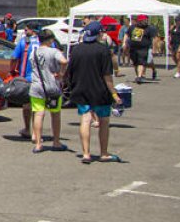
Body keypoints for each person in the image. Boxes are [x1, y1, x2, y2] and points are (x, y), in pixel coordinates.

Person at [65, 21, 122, 163]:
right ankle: (103, 153)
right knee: (104, 121)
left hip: (81, 90)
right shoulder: (103, 50)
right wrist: (114, 94)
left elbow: (69, 72)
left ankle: (86, 153)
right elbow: (107, 76)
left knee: (85, 119)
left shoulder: (76, 49)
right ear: (99, 34)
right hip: (100, 91)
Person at [29, 29, 68, 153]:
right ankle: (56, 141)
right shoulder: (53, 51)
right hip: (52, 86)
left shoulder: (33, 52)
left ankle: (38, 143)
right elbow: (64, 61)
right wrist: (61, 73)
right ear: (50, 39)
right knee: (55, 114)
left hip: (36, 86)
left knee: (38, 114)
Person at [9, 23, 40, 139]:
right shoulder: (46, 42)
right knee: (38, 107)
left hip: (26, 79)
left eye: (26, 29)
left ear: (32, 30)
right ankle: (37, 133)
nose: (24, 31)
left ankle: (28, 129)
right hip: (41, 79)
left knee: (27, 105)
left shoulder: (24, 42)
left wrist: (11, 71)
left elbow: (13, 57)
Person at [128, 15, 154, 82]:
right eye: (143, 20)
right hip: (133, 48)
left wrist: (153, 48)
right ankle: (138, 76)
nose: (145, 21)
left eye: (146, 20)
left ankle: (139, 76)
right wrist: (124, 44)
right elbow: (127, 35)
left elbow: (153, 38)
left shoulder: (149, 28)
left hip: (143, 48)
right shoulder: (132, 27)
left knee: (141, 62)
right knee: (135, 62)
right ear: (139, 21)